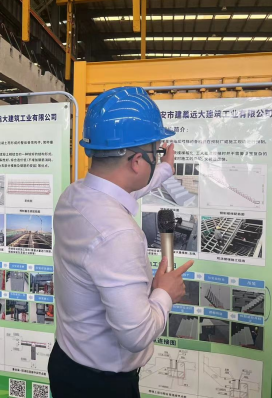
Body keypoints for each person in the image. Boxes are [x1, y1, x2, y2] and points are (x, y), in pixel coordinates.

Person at [49, 87, 194, 397]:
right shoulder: (118, 234)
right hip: (102, 388)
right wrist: (165, 293)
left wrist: (164, 168)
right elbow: (136, 335)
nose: (157, 158)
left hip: (66, 365)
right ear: (137, 161)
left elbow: (127, 188)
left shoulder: (74, 196)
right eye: (155, 153)